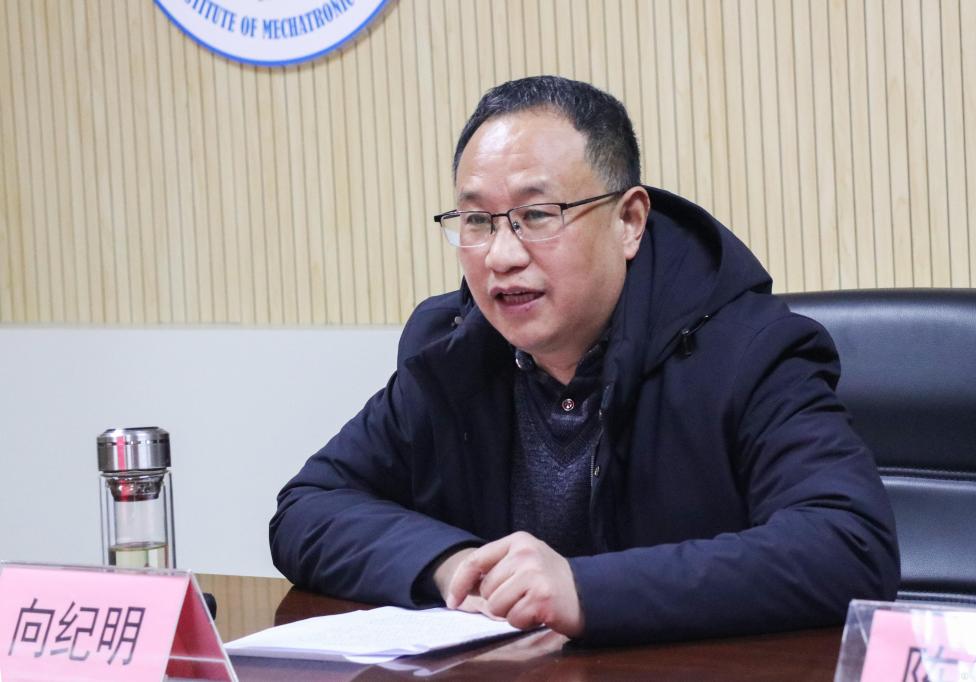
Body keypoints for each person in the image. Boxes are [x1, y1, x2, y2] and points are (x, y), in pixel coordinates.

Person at [270, 75, 900, 645]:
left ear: (629, 221)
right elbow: (309, 507)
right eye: (478, 221)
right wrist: (453, 564)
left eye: (536, 215)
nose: (501, 256)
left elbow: (849, 546)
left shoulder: (748, 350)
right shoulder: (451, 350)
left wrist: (584, 590)